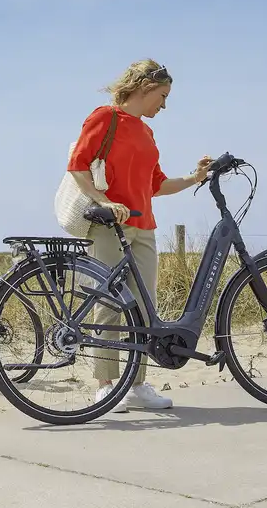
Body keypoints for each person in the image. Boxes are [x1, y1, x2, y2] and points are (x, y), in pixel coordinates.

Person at [66, 60, 212, 410]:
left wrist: (195, 177)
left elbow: (157, 185)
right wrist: (105, 200)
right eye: (162, 96)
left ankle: (136, 385)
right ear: (145, 88)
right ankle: (105, 384)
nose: (164, 104)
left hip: (144, 226)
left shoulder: (147, 132)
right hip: (109, 226)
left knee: (147, 309)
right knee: (111, 304)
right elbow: (77, 166)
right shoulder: (105, 118)